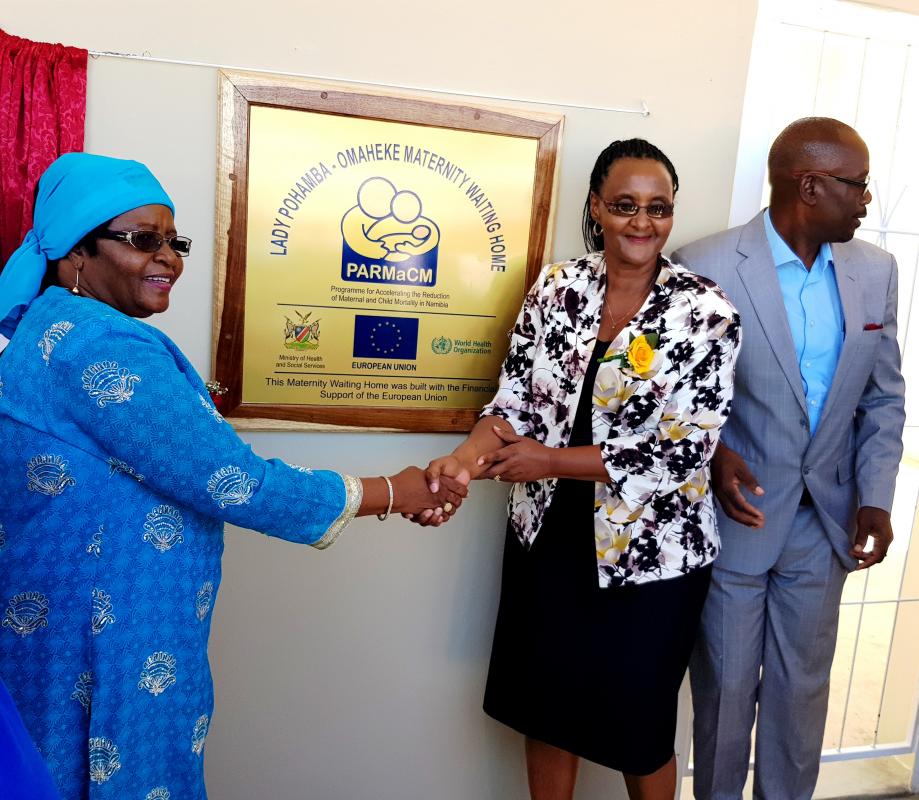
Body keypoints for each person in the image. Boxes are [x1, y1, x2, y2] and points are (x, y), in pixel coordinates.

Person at [0, 152, 466, 799]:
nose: (168, 259)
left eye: (174, 241)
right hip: (105, 641)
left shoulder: (50, 328)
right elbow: (231, 478)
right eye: (143, 240)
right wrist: (393, 492)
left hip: (73, 625)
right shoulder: (95, 345)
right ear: (76, 253)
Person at [423, 139, 741, 800]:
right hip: (549, 538)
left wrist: (549, 460)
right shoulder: (556, 288)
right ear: (596, 207)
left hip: (651, 556)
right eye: (624, 205)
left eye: (658, 208)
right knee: (547, 712)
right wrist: (461, 460)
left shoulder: (705, 313)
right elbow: (510, 402)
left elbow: (684, 453)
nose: (641, 222)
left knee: (639, 726)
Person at [671, 117, 906, 800]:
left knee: (800, 702)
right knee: (724, 694)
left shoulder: (875, 271)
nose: (866, 199)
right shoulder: (704, 264)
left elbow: (882, 399)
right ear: (809, 185)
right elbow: (670, 400)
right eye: (855, 184)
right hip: (735, 522)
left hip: (823, 524)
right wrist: (712, 453)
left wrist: (875, 498)